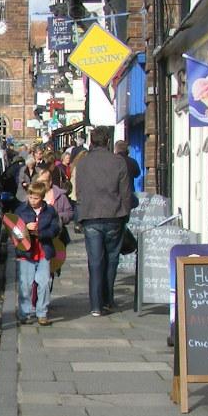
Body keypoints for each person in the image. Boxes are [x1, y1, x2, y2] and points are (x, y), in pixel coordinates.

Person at [72, 127, 136, 316]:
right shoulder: (118, 162)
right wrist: (126, 215)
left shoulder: (82, 164)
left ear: (91, 141)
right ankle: (107, 300)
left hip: (90, 216)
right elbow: (125, 193)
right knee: (111, 260)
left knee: (95, 261)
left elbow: (80, 193)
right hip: (114, 216)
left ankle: (95, 306)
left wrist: (81, 215)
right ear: (107, 141)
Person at [12, 180, 63, 327]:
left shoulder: (50, 211)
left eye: (36, 198)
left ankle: (42, 313)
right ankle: (24, 313)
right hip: (26, 253)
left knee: (44, 283)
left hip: (43, 252)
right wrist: (25, 228)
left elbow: (55, 229)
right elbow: (14, 231)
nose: (32, 201)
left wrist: (39, 232)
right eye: (30, 197)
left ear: (42, 198)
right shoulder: (20, 210)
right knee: (25, 285)